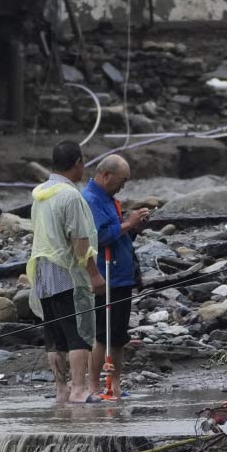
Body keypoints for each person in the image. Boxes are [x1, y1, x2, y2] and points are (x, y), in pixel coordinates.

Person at [27, 140, 103, 404]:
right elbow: (80, 241)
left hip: (42, 273)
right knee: (78, 333)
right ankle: (79, 390)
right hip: (66, 273)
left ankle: (61, 390)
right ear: (78, 163)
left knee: (54, 337)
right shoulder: (70, 195)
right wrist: (94, 274)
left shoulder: (40, 193)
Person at [83, 153, 148, 400]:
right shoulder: (90, 200)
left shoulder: (110, 199)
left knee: (118, 336)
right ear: (106, 175)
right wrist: (128, 223)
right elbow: (98, 237)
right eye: (122, 180)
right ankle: (93, 388)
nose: (123, 185)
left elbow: (118, 235)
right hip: (105, 276)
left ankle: (115, 384)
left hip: (121, 275)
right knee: (103, 334)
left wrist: (134, 226)